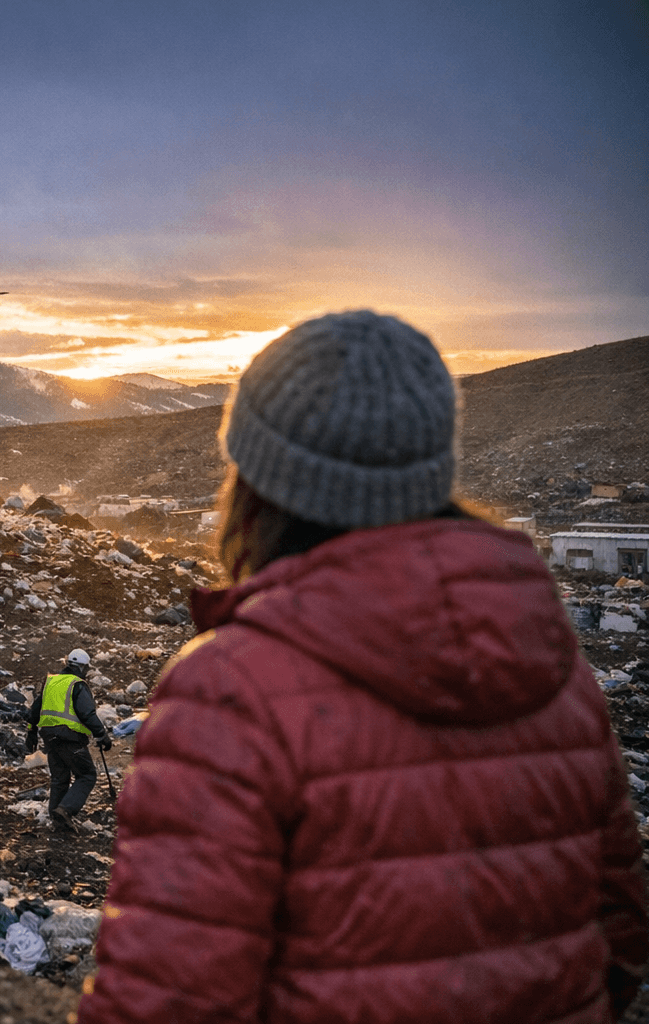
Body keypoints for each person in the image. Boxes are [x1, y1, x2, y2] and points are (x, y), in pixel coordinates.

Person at [80, 311, 648, 1023]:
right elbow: (621, 947)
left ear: (258, 481)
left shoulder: (230, 689)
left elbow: (167, 1002)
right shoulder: (556, 672)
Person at [25, 647, 112, 830]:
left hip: (50, 737)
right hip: (70, 738)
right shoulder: (77, 684)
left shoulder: (52, 682)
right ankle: (65, 810)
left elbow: (35, 709)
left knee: (60, 778)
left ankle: (57, 820)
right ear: (82, 668)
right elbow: (87, 713)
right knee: (87, 775)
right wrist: (101, 735)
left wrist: (31, 731)